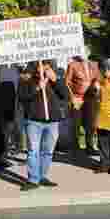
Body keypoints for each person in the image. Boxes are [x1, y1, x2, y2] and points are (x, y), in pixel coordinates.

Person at [18, 59, 65, 190]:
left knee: (48, 152)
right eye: (42, 65)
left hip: (52, 121)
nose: (44, 68)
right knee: (33, 151)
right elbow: (22, 97)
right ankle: (33, 179)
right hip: (34, 121)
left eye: (47, 66)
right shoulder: (27, 79)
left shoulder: (55, 78)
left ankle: (42, 176)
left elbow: (64, 95)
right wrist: (38, 88)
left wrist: (55, 80)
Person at [65, 48, 100, 165]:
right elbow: (67, 83)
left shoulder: (94, 64)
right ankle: (76, 148)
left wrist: (96, 83)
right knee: (76, 123)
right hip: (78, 98)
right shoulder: (73, 65)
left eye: (85, 52)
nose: (83, 54)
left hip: (90, 98)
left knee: (90, 123)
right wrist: (72, 97)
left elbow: (98, 78)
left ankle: (90, 146)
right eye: (81, 52)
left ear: (89, 53)